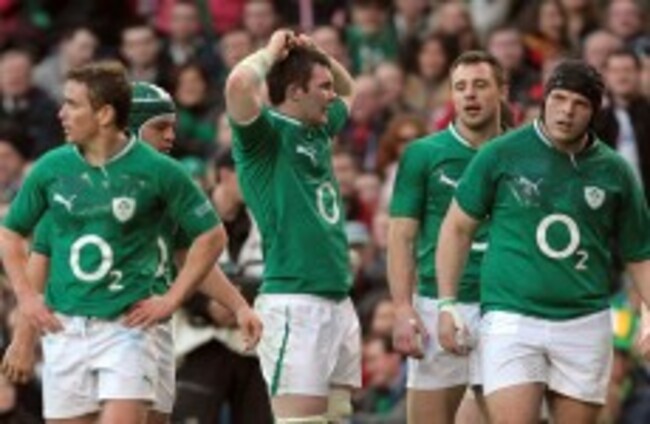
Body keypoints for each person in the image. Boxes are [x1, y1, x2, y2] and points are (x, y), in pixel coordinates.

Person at [1, 81, 263, 424]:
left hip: (145, 325)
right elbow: (40, 265)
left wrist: (238, 306)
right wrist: (23, 339)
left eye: (173, 127)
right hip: (83, 325)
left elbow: (190, 258)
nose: (171, 136)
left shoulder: (163, 184)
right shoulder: (73, 189)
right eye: (160, 127)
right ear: (130, 126)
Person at [436, 60, 650, 424]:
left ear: (595, 112)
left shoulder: (615, 171)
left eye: (580, 104)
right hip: (511, 317)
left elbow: (640, 252)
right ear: (544, 99)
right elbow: (457, 227)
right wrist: (447, 303)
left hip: (585, 321)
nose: (566, 111)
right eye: (559, 98)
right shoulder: (501, 153)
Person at [225, 29, 361, 423]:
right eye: (322, 87)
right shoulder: (264, 136)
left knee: (338, 417)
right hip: (294, 302)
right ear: (295, 92)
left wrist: (316, 53)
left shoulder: (318, 129)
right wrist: (271, 51)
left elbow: (350, 90)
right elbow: (238, 84)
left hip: (338, 299)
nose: (332, 95)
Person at [388, 51, 506, 424]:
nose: (469, 94)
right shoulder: (423, 154)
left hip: (506, 307)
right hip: (439, 305)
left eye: (480, 85)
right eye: (460, 87)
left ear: (502, 91)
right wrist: (402, 309)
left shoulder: (523, 154)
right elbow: (401, 237)